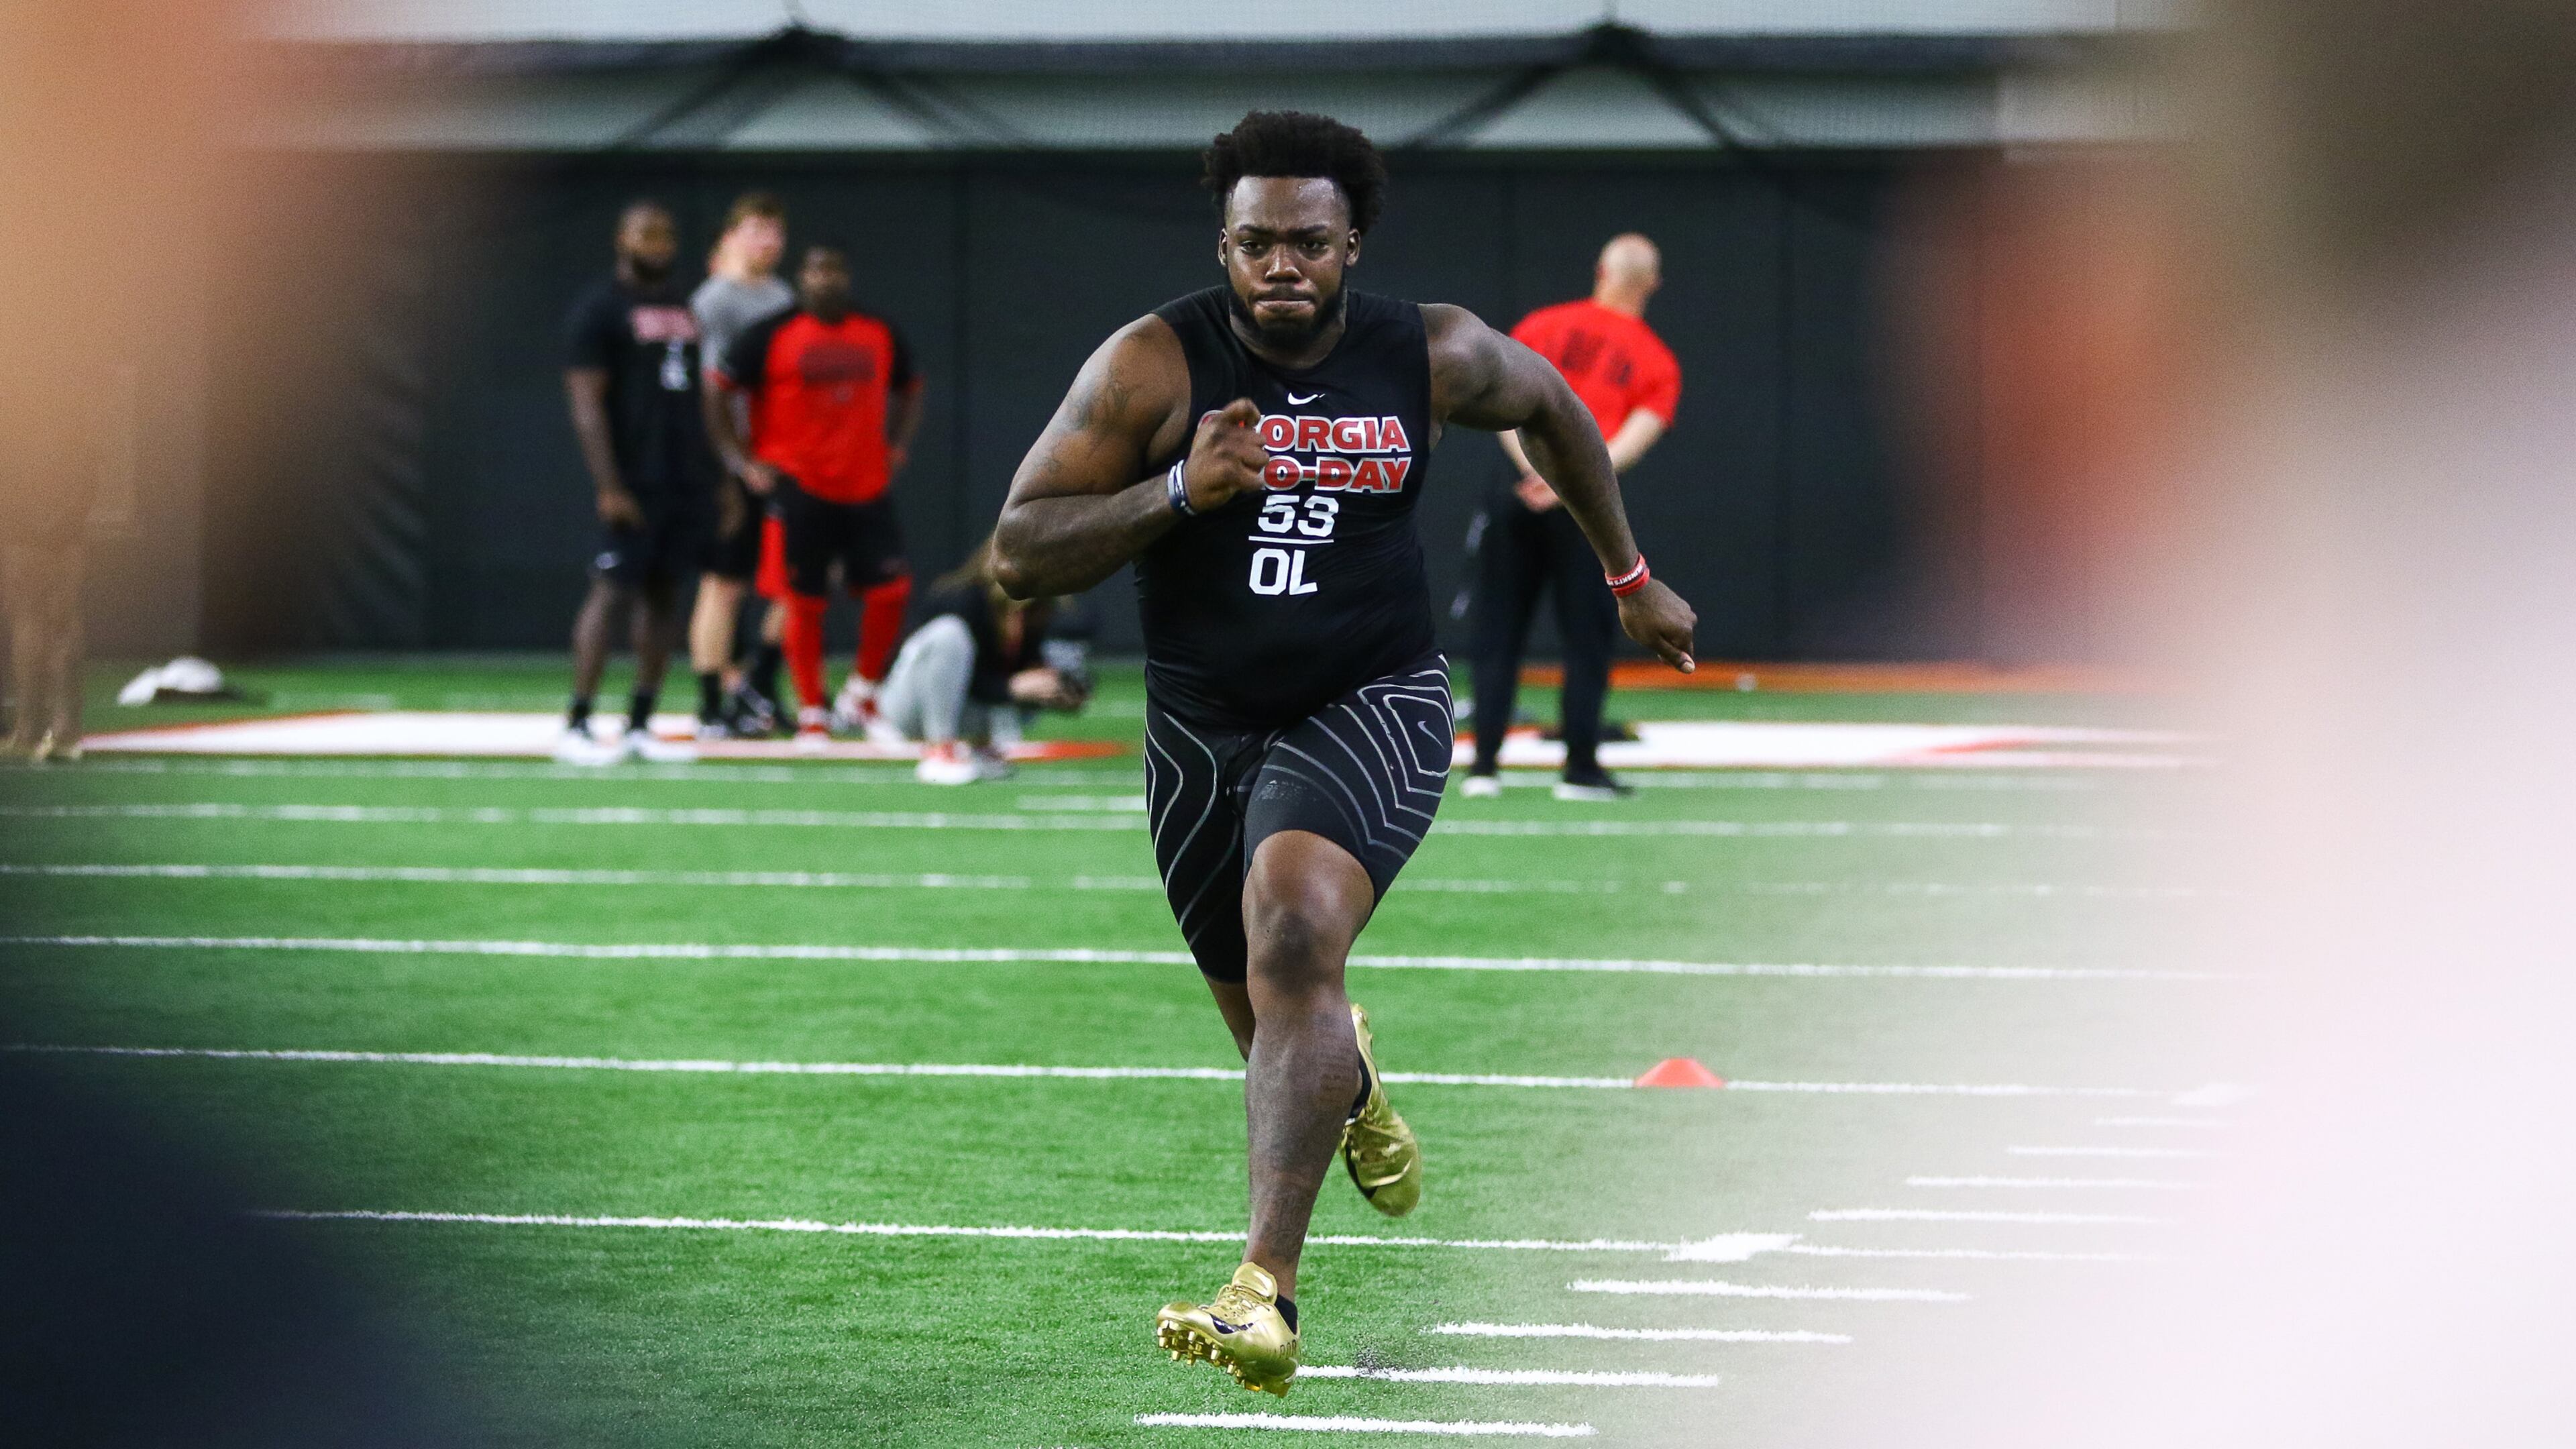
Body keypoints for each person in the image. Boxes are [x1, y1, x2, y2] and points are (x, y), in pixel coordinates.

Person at [991, 109, 1696, 1395]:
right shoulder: (1152, 366)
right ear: (1225, 242)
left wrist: (1628, 575)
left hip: (1372, 696)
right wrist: (1177, 496)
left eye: (1307, 243)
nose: (1280, 267)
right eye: (1255, 243)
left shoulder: (1427, 350)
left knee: (1299, 930)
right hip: (1201, 728)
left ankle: (1266, 1295)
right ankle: (1349, 1072)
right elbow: (1017, 551)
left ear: (1351, 243)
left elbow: (1555, 409)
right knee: (1267, 1016)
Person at [1460, 233, 1681, 801]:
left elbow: (1501, 408)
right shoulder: (1656, 360)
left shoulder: (1542, 326)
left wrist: (1537, 473)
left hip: (1517, 491)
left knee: (1498, 630)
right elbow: (1632, 441)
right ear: (1653, 286)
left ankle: (1484, 766)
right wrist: (1574, 486)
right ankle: (1580, 768)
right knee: (1587, 637)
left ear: (1601, 269)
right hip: (1585, 510)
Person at [704, 244, 924, 751]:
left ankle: (862, 693)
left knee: (891, 591)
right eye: (815, 270)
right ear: (802, 279)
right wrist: (741, 459)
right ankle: (811, 714)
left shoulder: (879, 330)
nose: (825, 279)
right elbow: (718, 387)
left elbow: (912, 385)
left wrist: (896, 445)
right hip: (800, 486)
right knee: (803, 601)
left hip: (867, 484)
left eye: (834, 269)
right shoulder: (771, 333)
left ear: (847, 276)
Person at [555, 200, 707, 766]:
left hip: (682, 474)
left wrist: (710, 475)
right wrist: (610, 483)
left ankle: (641, 722)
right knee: (612, 590)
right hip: (632, 475)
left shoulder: (682, 304)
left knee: (666, 592)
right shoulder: (599, 309)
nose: (659, 243)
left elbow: (696, 394)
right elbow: (586, 403)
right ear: (622, 238)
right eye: (646, 233)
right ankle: (577, 722)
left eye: (666, 233)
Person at [688, 192, 793, 739]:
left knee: (794, 582)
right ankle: (711, 704)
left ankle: (756, 685)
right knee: (725, 582)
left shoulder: (781, 295)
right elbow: (713, 391)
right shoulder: (716, 301)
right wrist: (735, 462)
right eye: (756, 230)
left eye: (774, 231)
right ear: (732, 237)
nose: (767, 241)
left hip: (780, 460)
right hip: (734, 464)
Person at [876, 537, 1091, 785]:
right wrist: (1012, 687)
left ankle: (981, 744)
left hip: (972, 711)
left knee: (1053, 659)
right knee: (949, 634)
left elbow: (1025, 669)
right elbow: (961, 676)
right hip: (910, 707)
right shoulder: (963, 600)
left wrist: (1055, 689)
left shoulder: (1037, 611)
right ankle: (940, 748)